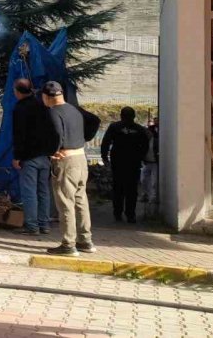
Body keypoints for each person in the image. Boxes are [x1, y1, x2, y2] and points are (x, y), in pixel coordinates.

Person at [42, 81, 96, 256]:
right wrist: (83, 139)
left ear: (46, 96)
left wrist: (52, 151)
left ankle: (68, 244)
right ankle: (85, 241)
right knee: (81, 200)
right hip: (81, 158)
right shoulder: (74, 110)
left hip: (65, 161)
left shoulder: (52, 112)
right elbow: (94, 120)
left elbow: (57, 133)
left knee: (66, 202)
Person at [11, 79, 57, 236]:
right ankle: (44, 225)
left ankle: (32, 226)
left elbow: (19, 134)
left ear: (18, 91)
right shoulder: (42, 105)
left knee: (29, 192)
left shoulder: (20, 108)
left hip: (29, 157)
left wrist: (17, 156)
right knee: (43, 191)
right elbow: (52, 130)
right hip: (45, 156)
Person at [101, 107, 152, 223]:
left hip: (118, 161)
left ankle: (117, 213)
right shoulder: (139, 129)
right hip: (133, 162)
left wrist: (105, 157)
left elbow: (106, 142)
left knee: (118, 188)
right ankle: (130, 214)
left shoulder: (114, 127)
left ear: (121, 115)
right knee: (131, 189)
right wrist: (141, 157)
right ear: (134, 116)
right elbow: (145, 145)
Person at [141, 116, 159, 203]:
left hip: (155, 163)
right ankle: (146, 195)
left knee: (154, 182)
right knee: (143, 180)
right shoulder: (144, 142)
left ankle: (153, 198)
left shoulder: (156, 141)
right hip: (147, 163)